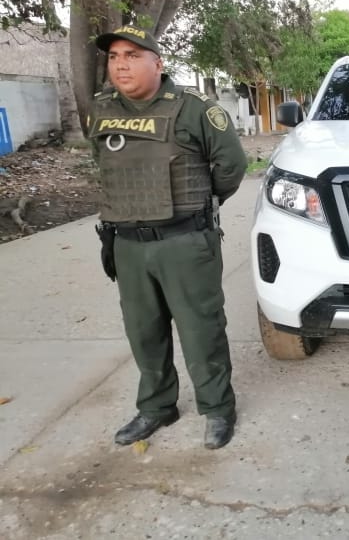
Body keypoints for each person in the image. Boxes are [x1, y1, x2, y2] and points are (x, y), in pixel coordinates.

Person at [87, 25, 247, 449]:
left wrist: (200, 205)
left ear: (157, 63)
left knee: (201, 331)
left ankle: (217, 409)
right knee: (143, 332)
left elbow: (231, 166)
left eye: (133, 55)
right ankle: (156, 407)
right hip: (126, 244)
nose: (121, 63)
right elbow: (100, 164)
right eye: (115, 56)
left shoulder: (194, 109)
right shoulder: (101, 109)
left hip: (184, 242)